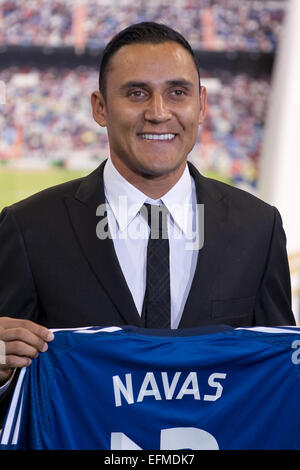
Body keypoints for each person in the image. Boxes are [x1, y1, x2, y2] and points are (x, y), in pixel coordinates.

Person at [0, 22, 295, 423]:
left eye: (177, 92)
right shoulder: (27, 228)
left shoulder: (258, 228)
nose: (158, 113)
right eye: (136, 93)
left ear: (202, 104)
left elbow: (277, 388)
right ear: (99, 107)